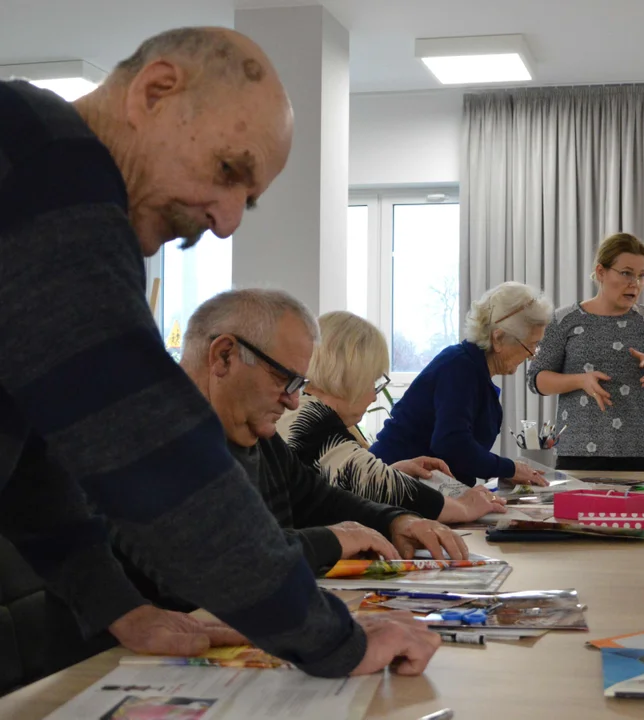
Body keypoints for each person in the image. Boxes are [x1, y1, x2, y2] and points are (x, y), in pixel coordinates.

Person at [0, 27, 427, 677]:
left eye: (247, 200)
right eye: (229, 172)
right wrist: (333, 640)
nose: (227, 221)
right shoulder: (52, 171)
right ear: (156, 91)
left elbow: (30, 465)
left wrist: (119, 607)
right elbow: (152, 453)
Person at [167, 290, 469, 577]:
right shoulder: (163, 440)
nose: (294, 400)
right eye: (285, 379)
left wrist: (394, 520)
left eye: (299, 384)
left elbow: (317, 498)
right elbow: (227, 557)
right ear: (224, 357)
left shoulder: (260, 437)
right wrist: (332, 540)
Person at [279, 310, 506, 522]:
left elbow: (340, 486)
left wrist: (394, 471)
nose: (373, 397)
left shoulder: (302, 412)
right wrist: (465, 506)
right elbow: (379, 485)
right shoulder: (313, 420)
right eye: (372, 381)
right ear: (351, 375)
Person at [526, 233, 644, 472]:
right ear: (601, 272)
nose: (635, 283)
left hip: (642, 450)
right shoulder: (564, 320)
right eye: (626, 273)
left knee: (638, 511)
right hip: (578, 448)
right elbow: (536, 380)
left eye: (642, 275)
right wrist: (579, 380)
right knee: (577, 510)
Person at [372, 282, 552, 487]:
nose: (532, 356)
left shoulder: (471, 368)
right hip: (389, 486)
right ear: (499, 338)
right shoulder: (459, 367)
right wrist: (507, 468)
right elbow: (451, 444)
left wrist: (506, 470)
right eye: (530, 346)